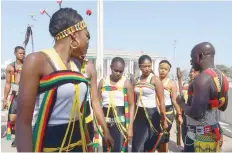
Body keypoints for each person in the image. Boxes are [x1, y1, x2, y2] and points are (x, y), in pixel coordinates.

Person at [16, 8, 113, 152]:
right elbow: (23, 123)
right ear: (74, 35)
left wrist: (89, 146)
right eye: (86, 36)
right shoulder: (37, 61)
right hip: (49, 145)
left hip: (79, 144)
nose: (87, 41)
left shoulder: (77, 66)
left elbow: (79, 114)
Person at [177, 42, 229, 152]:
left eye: (192, 57)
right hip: (214, 133)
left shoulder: (202, 79)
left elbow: (196, 114)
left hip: (198, 137)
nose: (191, 61)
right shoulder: (222, 76)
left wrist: (181, 102)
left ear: (200, 56)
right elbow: (223, 107)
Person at [98, 57, 135, 152]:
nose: (118, 73)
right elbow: (97, 104)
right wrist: (96, 124)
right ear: (111, 67)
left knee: (119, 149)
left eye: (121, 71)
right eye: (116, 70)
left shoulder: (126, 83)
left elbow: (131, 105)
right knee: (107, 149)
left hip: (121, 124)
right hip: (106, 124)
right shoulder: (103, 82)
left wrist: (130, 127)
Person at [132, 55, 168, 152]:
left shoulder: (155, 79)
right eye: (144, 66)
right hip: (138, 114)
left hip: (151, 115)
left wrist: (163, 119)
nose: (147, 69)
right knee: (137, 144)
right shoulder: (136, 79)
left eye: (149, 66)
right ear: (139, 66)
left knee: (147, 144)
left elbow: (161, 101)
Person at [2, 46, 25, 147]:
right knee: (12, 119)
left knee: (23, 118)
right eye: (20, 53)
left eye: (23, 53)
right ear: (15, 53)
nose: (22, 55)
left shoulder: (28, 65)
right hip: (15, 95)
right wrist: (5, 99)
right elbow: (7, 84)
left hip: (26, 95)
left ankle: (18, 138)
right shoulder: (10, 67)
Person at [158, 60, 183, 152]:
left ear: (168, 71)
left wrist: (179, 114)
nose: (163, 71)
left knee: (164, 136)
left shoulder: (171, 83)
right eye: (161, 68)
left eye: (165, 69)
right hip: (155, 111)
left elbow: (174, 100)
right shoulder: (154, 80)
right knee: (155, 137)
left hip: (168, 113)